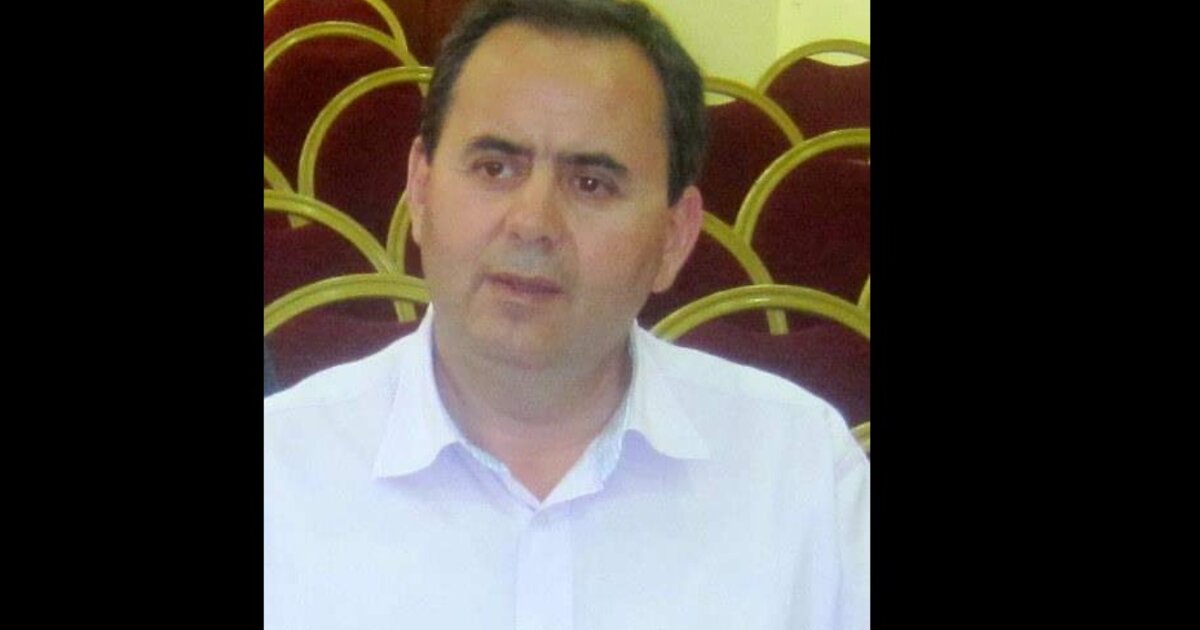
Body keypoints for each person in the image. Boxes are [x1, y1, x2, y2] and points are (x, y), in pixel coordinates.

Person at [264, 1, 869, 627]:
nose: (532, 222)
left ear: (674, 237)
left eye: (591, 184)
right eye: (495, 168)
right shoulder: (280, 474)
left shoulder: (800, 475)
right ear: (420, 191)